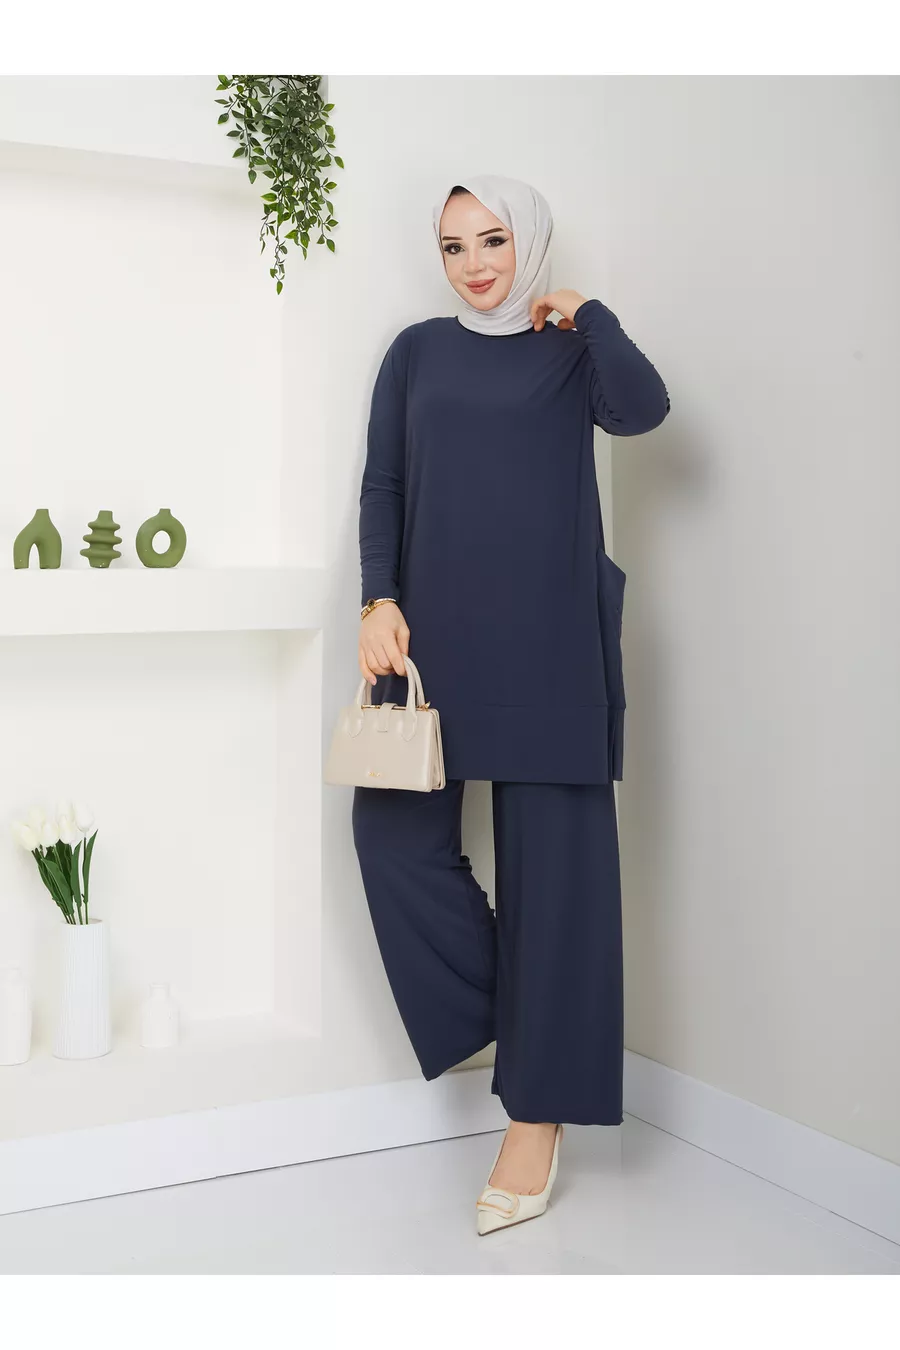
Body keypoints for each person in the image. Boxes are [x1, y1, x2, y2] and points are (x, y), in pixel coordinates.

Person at [351, 174, 669, 1234]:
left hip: (550, 642)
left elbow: (644, 410)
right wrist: (377, 599)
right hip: (429, 645)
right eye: (453, 247)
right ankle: (541, 1020)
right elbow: (385, 483)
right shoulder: (416, 353)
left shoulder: (573, 352)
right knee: (390, 838)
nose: (474, 264)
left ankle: (536, 1120)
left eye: (492, 240)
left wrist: (590, 313)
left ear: (527, 241)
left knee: (558, 885)